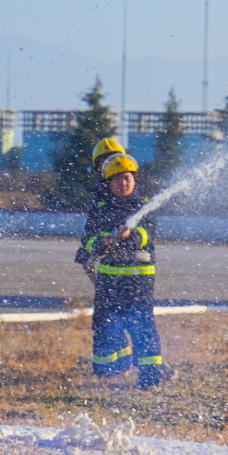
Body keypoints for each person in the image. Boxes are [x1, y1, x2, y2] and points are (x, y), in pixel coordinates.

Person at [77, 152, 167, 389]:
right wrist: (101, 242)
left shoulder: (144, 205)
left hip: (138, 278)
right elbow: (87, 239)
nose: (123, 183)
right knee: (106, 324)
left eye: (127, 178)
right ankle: (109, 371)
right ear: (108, 183)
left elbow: (149, 234)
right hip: (109, 278)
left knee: (142, 326)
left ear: (135, 180)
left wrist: (130, 236)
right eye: (117, 179)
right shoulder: (101, 207)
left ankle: (149, 378)